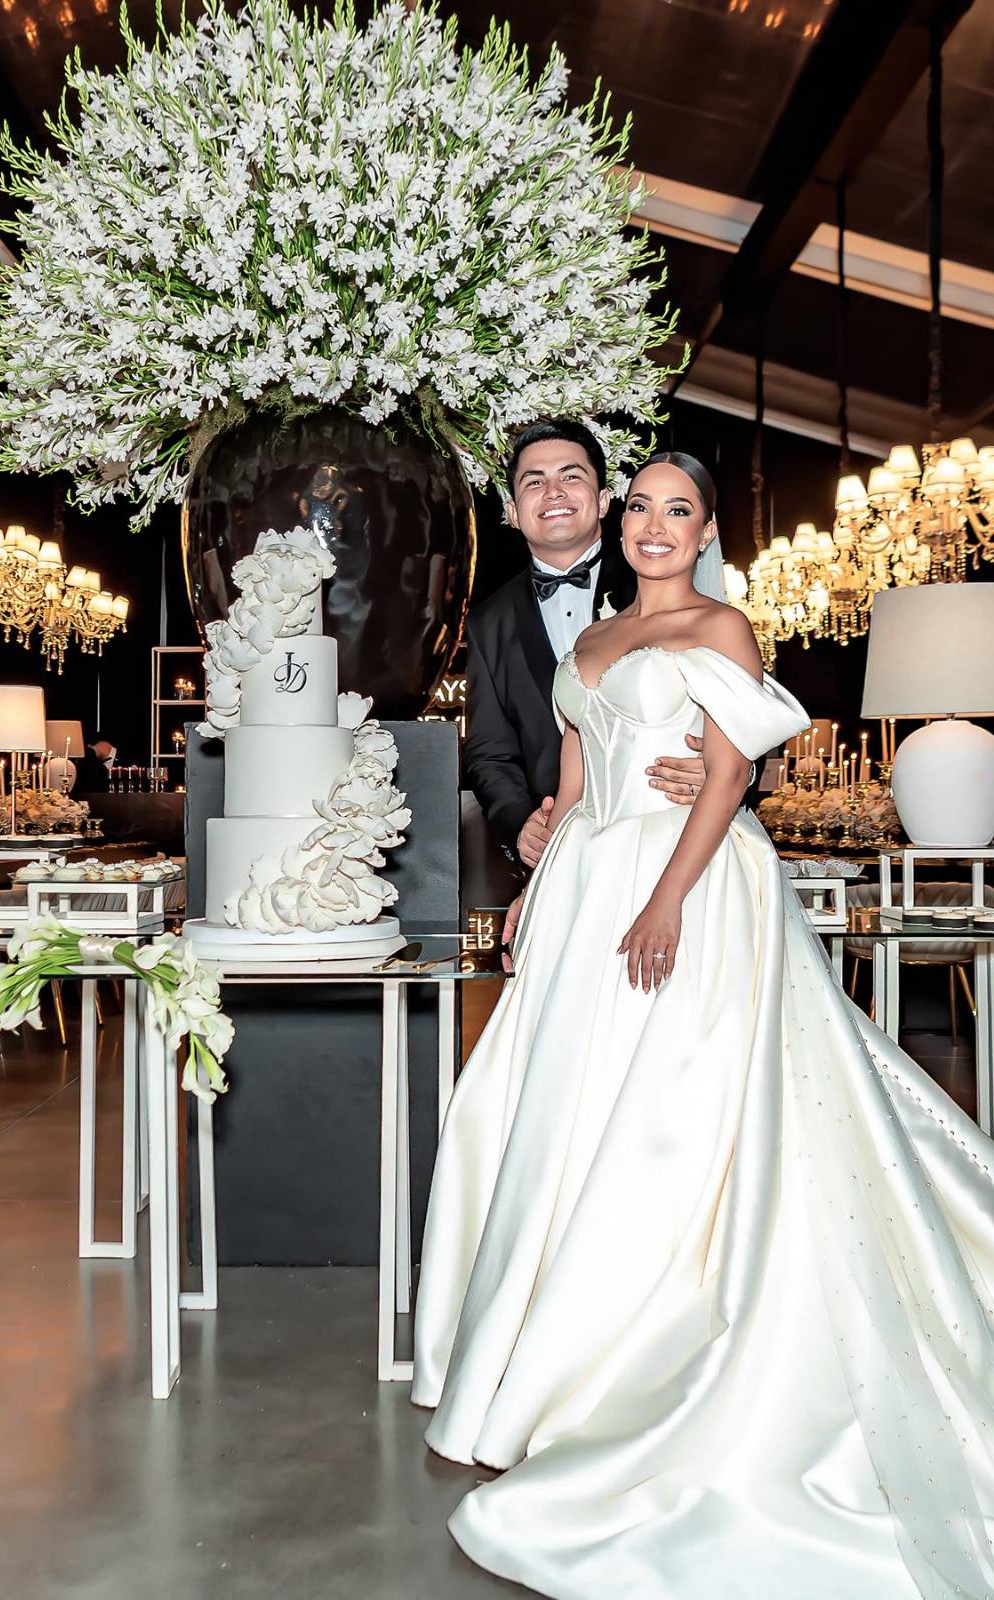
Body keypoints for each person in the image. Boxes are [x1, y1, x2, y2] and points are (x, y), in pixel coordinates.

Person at [413, 451, 994, 1600]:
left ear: (705, 530)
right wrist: (535, 887)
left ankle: (651, 1343)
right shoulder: (587, 647)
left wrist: (667, 896)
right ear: (622, 526)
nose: (655, 525)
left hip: (687, 886)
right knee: (563, 1110)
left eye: (680, 510)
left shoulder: (725, 629)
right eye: (642, 507)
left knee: (676, 1112)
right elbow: (573, 786)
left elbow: (726, 777)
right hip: (586, 888)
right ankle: (545, 1361)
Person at [464, 419, 709, 869]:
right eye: (534, 481)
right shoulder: (487, 621)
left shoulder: (664, 577)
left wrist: (724, 771)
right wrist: (521, 826)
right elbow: (489, 753)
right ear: (513, 512)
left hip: (669, 830)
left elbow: (745, 703)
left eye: (570, 476)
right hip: (564, 853)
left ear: (602, 501)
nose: (553, 491)